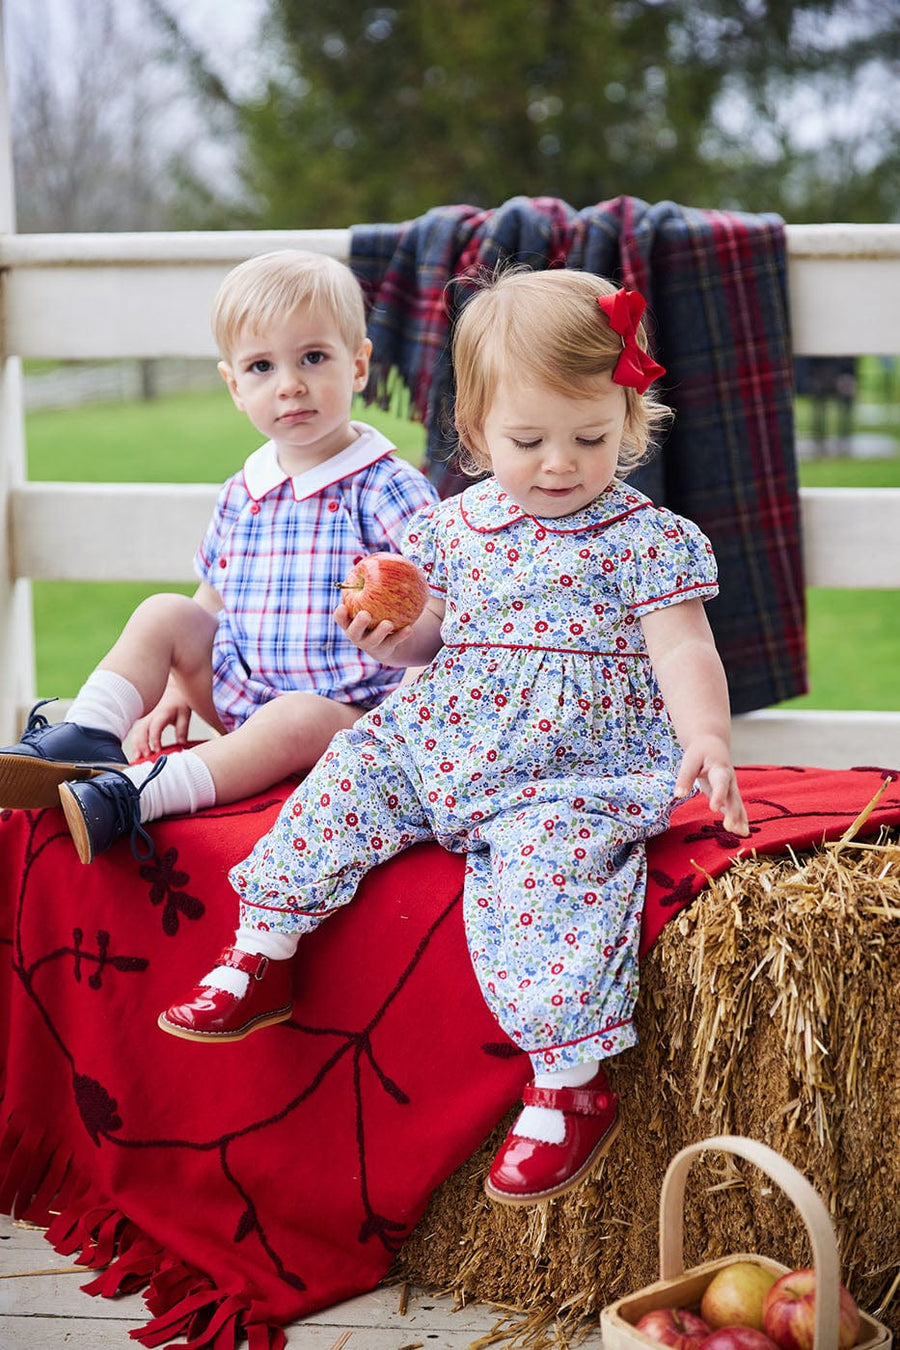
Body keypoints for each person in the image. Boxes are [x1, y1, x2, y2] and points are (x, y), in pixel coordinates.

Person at [158, 268, 749, 1207]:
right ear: (475, 435)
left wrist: (707, 738)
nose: (560, 463)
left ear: (628, 423)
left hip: (569, 763)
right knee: (352, 771)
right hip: (446, 732)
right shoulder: (453, 527)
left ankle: (567, 1081)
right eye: (527, 441)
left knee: (550, 875)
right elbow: (438, 636)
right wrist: (398, 637)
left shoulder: (646, 537)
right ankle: (263, 946)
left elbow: (683, 650)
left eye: (592, 438)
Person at [0, 250, 438, 863]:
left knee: (294, 718)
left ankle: (137, 795)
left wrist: (416, 722)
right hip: (241, 693)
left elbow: (444, 603)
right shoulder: (244, 489)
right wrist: (179, 684)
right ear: (234, 385)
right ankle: (92, 732)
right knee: (164, 612)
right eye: (262, 366)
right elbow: (214, 595)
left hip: (348, 717)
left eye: (313, 357)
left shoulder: (385, 485)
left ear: (359, 364)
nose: (290, 383)